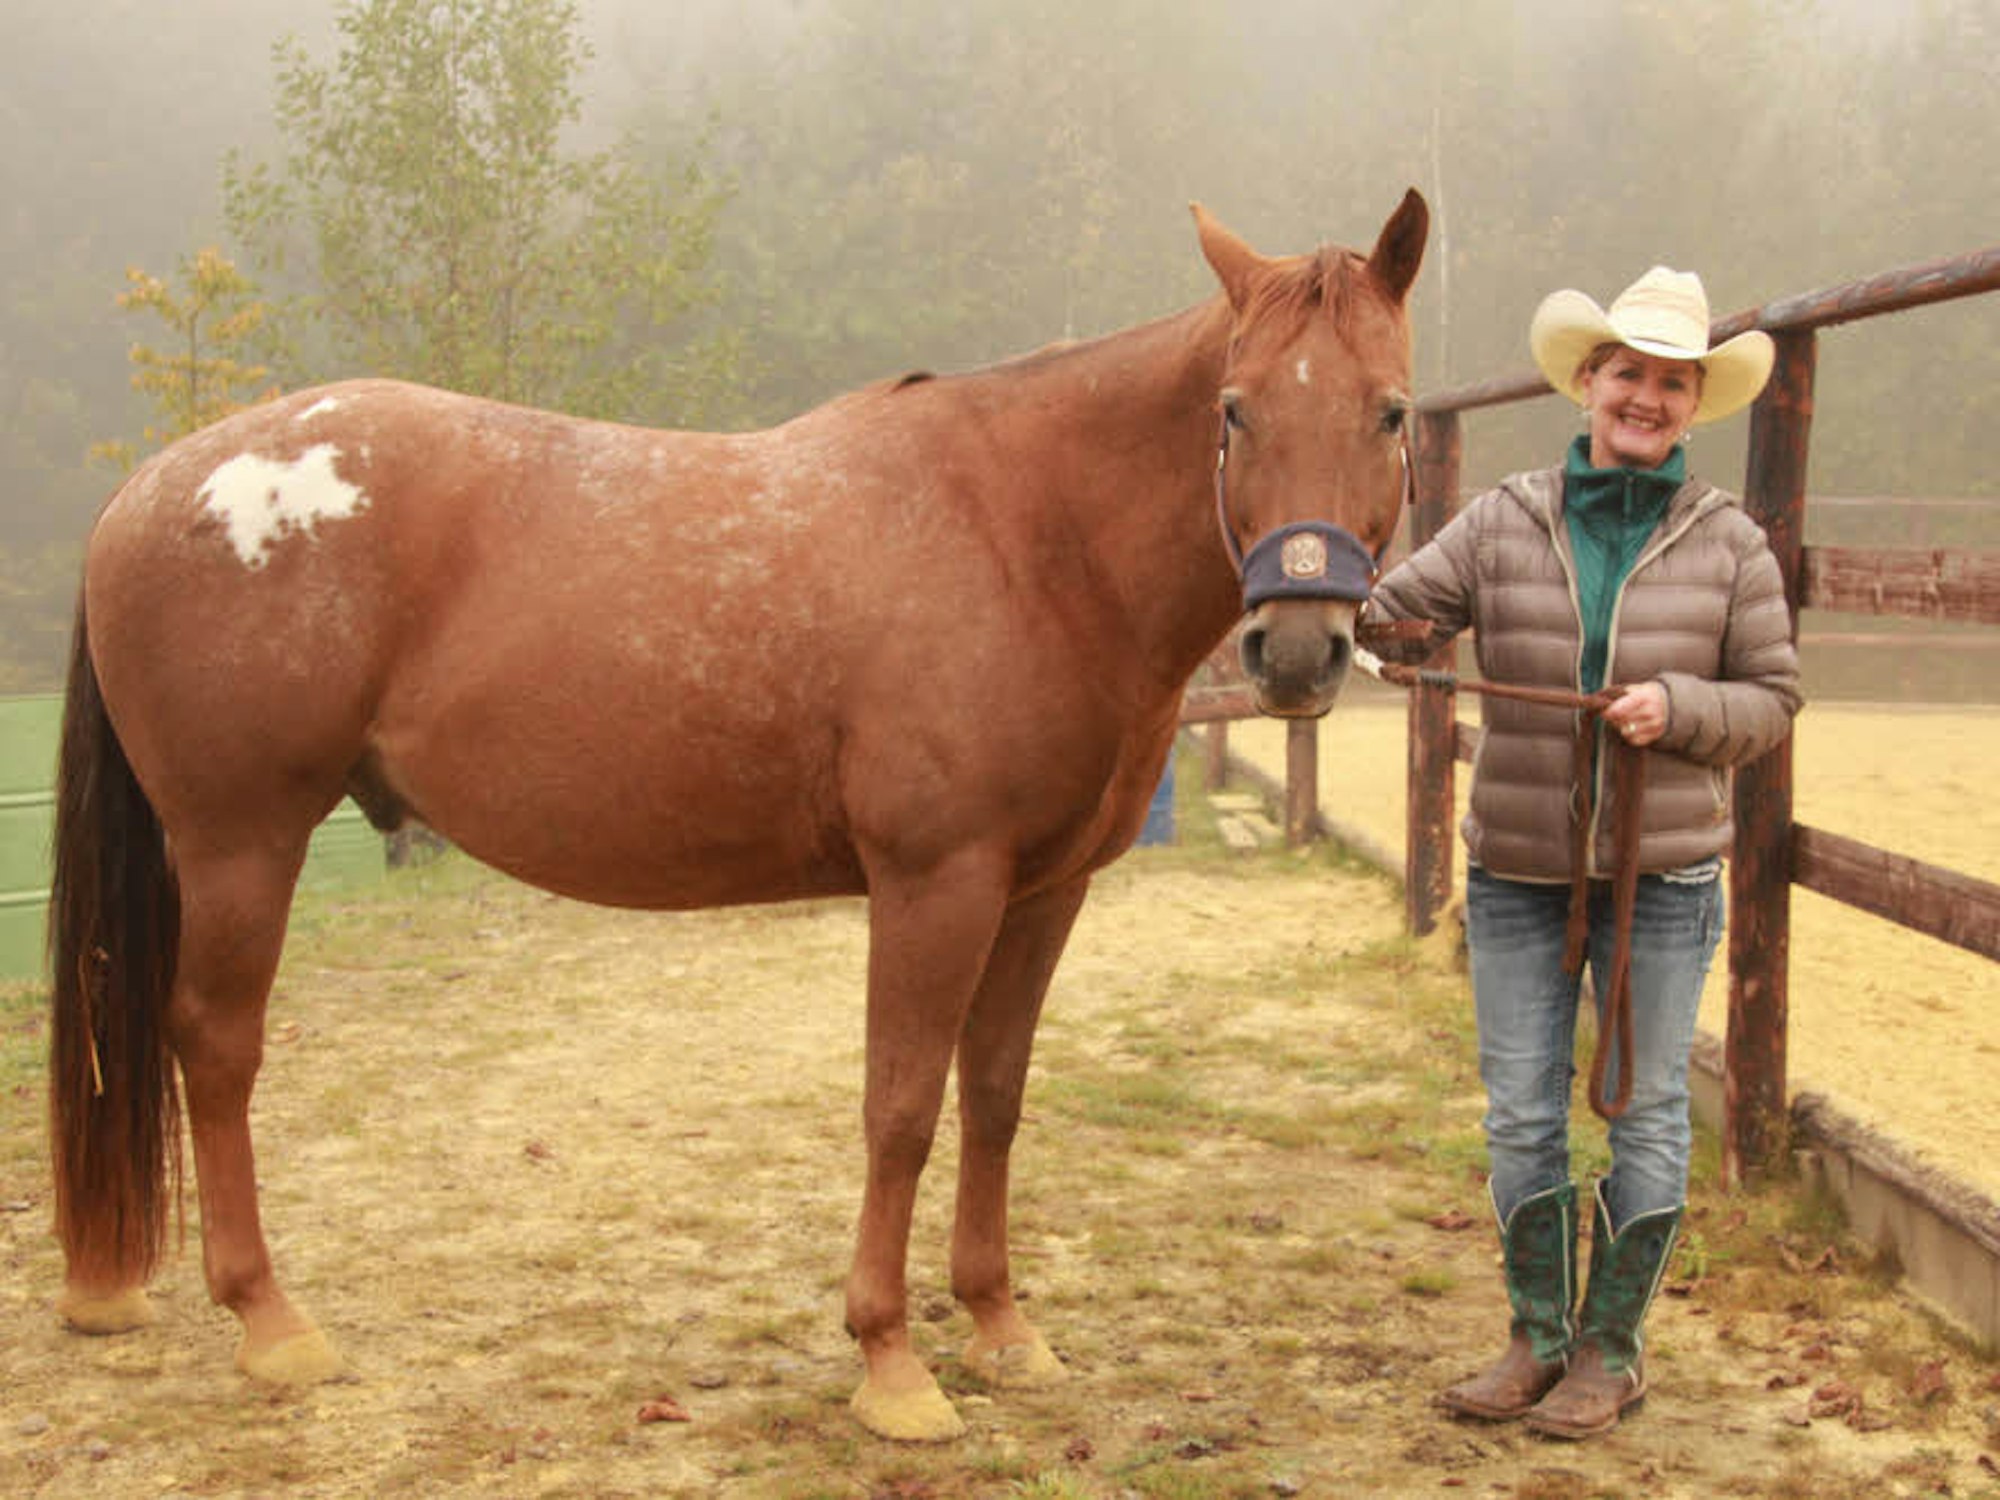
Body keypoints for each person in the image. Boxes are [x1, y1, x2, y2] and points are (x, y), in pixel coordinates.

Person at [1361, 266, 1802, 1439]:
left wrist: (1678, 706)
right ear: (1586, 384)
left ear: (1692, 404)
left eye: (1669, 382)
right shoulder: (1501, 519)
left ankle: (1609, 1351)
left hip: (1663, 880)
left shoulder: (1729, 543)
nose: (1644, 398)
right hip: (1517, 874)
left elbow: (1769, 699)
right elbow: (1396, 612)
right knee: (1519, 1114)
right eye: (1625, 374)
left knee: (1646, 1113)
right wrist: (1333, 590)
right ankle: (1534, 1340)